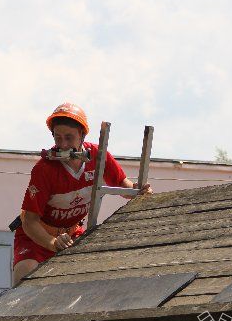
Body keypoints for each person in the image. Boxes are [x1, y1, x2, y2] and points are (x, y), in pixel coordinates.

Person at [12, 102, 152, 285]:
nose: (63, 145)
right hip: (37, 237)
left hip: (73, 234)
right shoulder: (44, 169)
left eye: (69, 138)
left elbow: (123, 185)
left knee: (89, 281)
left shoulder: (98, 156)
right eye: (58, 138)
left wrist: (137, 190)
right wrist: (52, 243)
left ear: (82, 135)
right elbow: (30, 222)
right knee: (24, 278)